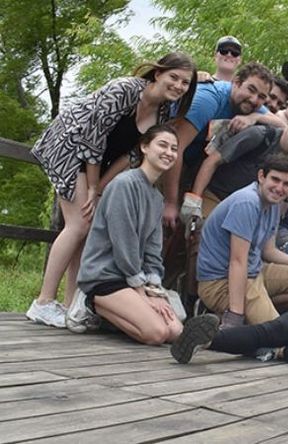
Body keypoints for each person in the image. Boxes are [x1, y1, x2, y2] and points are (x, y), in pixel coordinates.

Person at [27, 52, 197, 328]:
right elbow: (92, 139)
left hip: (98, 162)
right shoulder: (124, 89)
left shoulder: (163, 112)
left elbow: (130, 156)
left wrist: (102, 187)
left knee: (88, 224)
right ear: (158, 74)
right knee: (78, 223)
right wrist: (94, 187)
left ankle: (73, 304)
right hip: (67, 145)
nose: (178, 86)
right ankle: (43, 302)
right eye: (173, 77)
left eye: (185, 82)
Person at [72, 125, 184, 344]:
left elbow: (153, 250)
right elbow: (125, 244)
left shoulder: (156, 198)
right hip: (105, 276)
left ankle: (110, 319)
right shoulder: (124, 185)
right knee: (157, 333)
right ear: (144, 147)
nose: (168, 152)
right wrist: (142, 294)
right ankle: (90, 303)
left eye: (174, 148)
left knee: (175, 331)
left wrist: (153, 289)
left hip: (132, 279)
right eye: (162, 145)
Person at [196, 154, 288, 329]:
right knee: (277, 337)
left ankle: (254, 312)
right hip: (220, 281)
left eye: (286, 184)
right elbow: (237, 261)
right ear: (261, 176)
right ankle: (232, 317)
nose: (279, 188)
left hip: (255, 272)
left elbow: (269, 252)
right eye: (275, 179)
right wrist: (235, 316)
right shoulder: (247, 202)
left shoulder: (274, 206)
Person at [162, 62, 284, 228]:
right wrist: (170, 202)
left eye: (262, 97)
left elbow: (282, 124)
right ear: (236, 82)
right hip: (162, 158)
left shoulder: (252, 107)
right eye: (251, 89)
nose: (255, 99)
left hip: (189, 165)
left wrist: (254, 117)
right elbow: (175, 147)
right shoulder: (209, 99)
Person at [181, 104, 288, 219]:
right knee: (201, 238)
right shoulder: (259, 135)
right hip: (217, 196)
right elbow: (212, 161)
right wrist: (194, 200)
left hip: (253, 210)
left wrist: (278, 214)